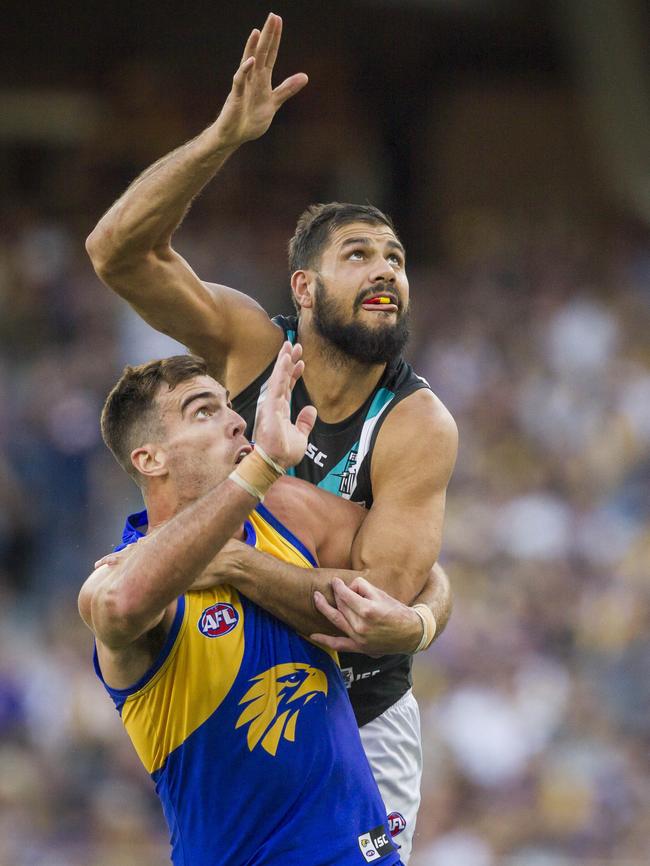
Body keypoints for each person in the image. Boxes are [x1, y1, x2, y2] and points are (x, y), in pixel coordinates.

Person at [86, 13, 458, 860]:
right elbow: (117, 253)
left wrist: (236, 562)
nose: (387, 271)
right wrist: (224, 136)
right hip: (235, 686)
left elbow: (371, 614)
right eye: (359, 254)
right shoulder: (253, 348)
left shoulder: (416, 424)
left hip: (355, 718)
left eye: (397, 258)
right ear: (305, 284)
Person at [80, 342, 411, 866]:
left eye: (229, 405)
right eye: (204, 411)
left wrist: (419, 624)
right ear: (150, 458)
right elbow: (119, 606)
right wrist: (263, 465)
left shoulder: (287, 516)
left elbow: (418, 568)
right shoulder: (117, 574)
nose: (237, 422)